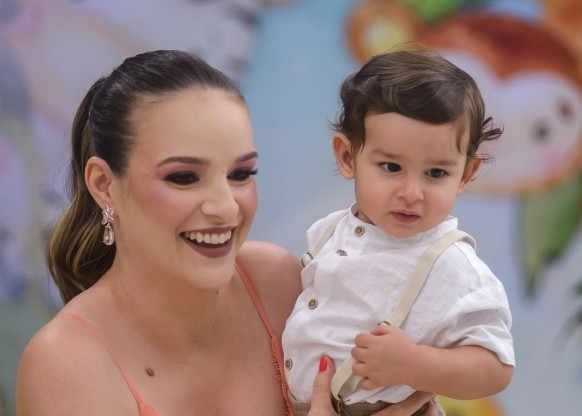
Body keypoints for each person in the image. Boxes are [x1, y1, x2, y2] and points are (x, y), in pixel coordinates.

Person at [14, 49, 441, 416]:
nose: (225, 208)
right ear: (104, 185)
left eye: (240, 173)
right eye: (184, 177)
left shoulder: (276, 283)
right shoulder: (65, 364)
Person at [282, 47, 515, 416]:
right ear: (347, 157)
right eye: (391, 167)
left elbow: (496, 368)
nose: (411, 193)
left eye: (436, 173)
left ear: (466, 174)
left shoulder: (454, 266)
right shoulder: (329, 230)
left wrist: (415, 364)